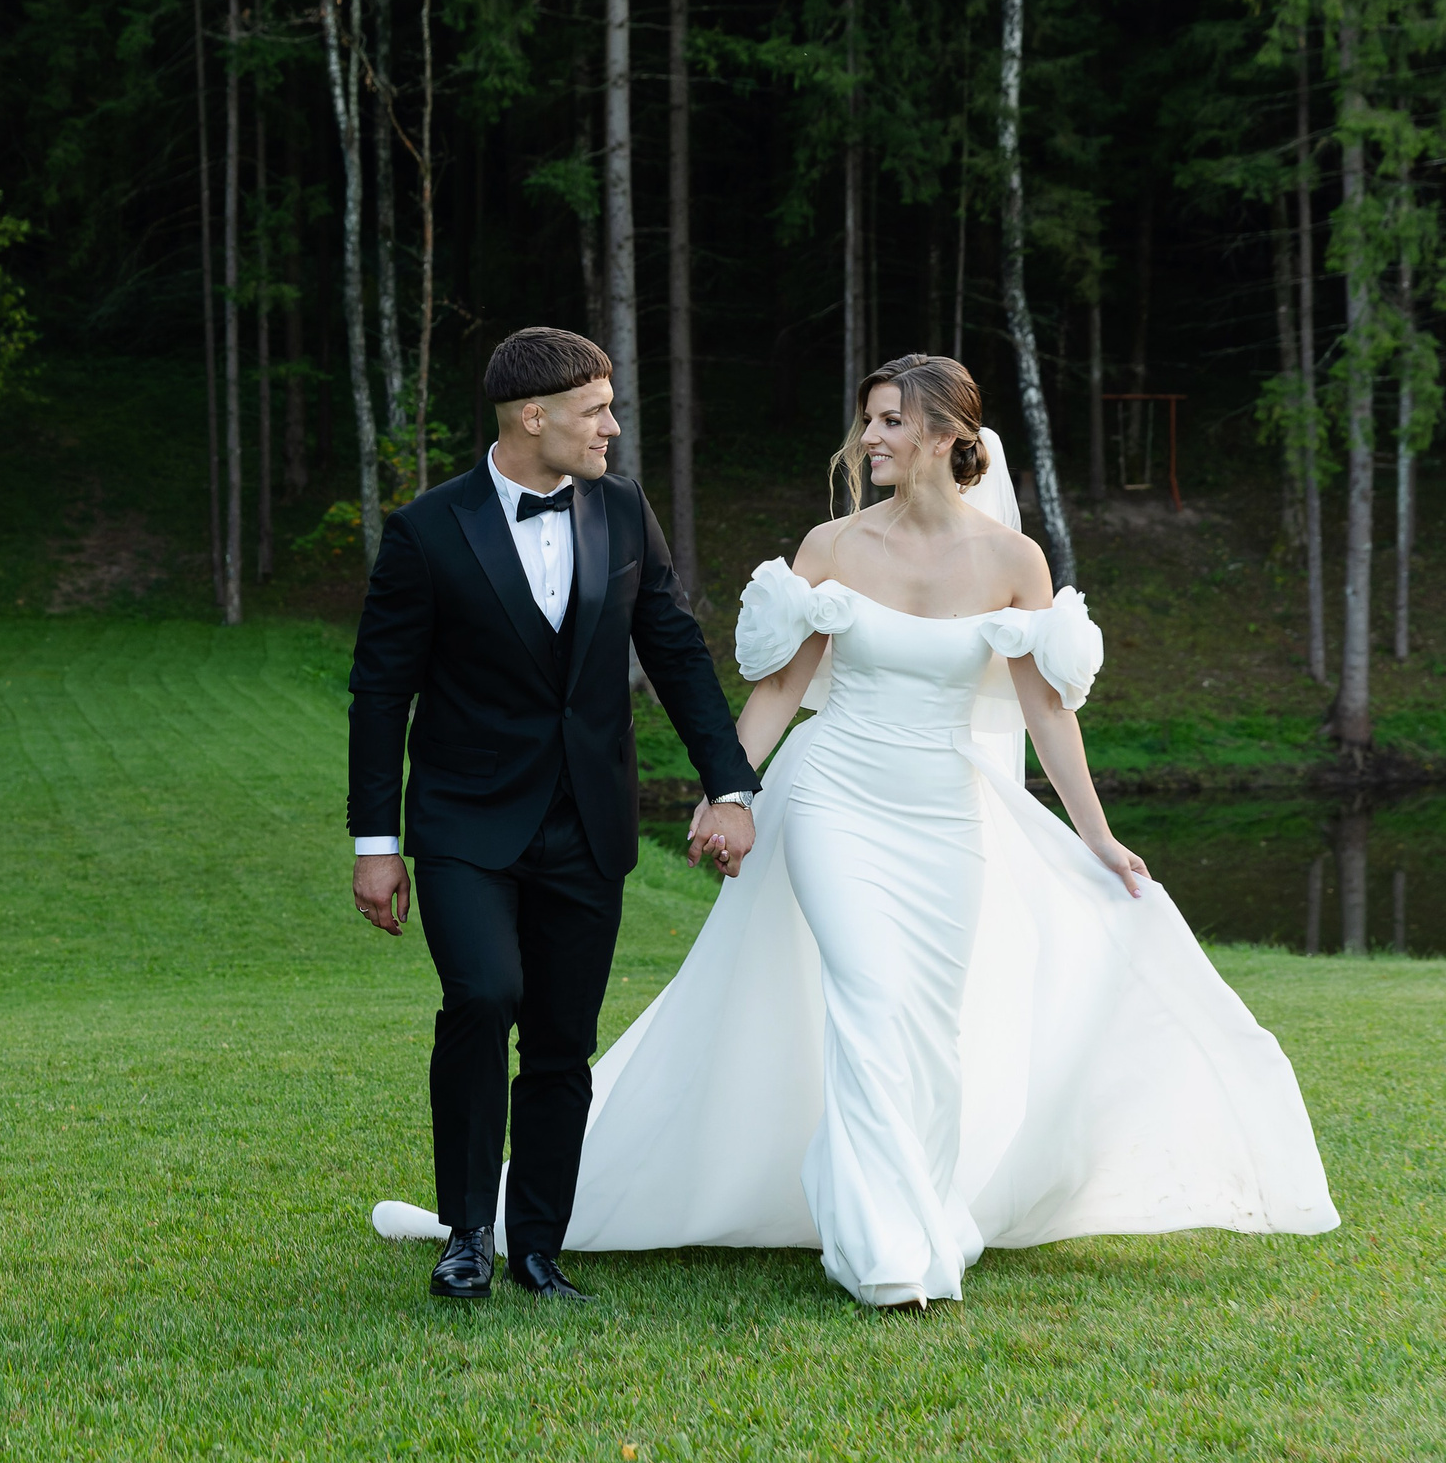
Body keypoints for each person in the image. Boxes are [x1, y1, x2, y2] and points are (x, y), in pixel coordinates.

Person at [373, 354, 1339, 1308]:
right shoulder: (831, 546)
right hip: (836, 801)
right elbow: (781, 687)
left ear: (947, 436)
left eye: (888, 420)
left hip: (946, 816)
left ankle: (921, 1211)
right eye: (868, 418)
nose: (867, 436)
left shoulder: (1016, 562)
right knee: (870, 1000)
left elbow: (1047, 713)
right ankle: (880, 1250)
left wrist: (1096, 834)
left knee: (931, 1026)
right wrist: (728, 790)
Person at [347, 326, 762, 1301]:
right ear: (533, 416)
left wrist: (731, 786)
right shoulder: (426, 530)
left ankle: (536, 1246)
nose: (612, 428)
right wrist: (376, 843)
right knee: (482, 997)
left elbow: (675, 650)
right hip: (464, 823)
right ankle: (465, 1232)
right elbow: (380, 693)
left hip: (589, 819)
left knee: (562, 1040)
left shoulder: (622, 510)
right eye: (596, 411)